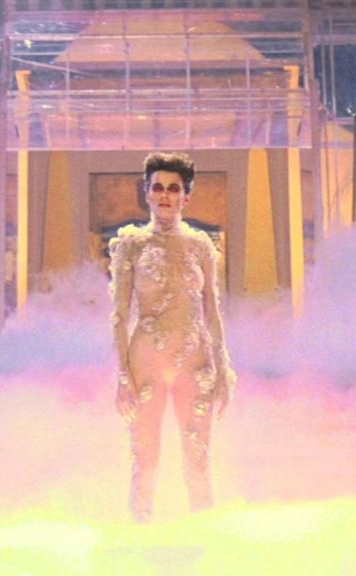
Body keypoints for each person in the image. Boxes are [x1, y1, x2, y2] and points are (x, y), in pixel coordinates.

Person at [108, 152, 236, 522]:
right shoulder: (131, 245)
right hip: (145, 362)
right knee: (144, 460)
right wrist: (122, 377)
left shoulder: (201, 246)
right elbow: (119, 317)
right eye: (158, 187)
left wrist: (223, 369)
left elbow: (212, 311)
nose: (165, 195)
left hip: (195, 362)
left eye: (173, 188)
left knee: (198, 458)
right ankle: (140, 537)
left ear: (186, 197)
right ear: (146, 193)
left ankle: (204, 537)